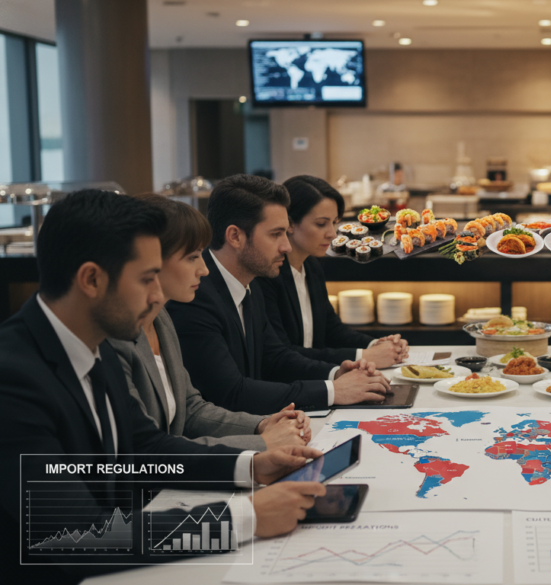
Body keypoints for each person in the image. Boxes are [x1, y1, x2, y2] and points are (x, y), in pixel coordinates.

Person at [0, 190, 328, 583]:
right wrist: (247, 517)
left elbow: (147, 448)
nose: (157, 295)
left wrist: (252, 465)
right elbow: (74, 536)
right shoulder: (13, 377)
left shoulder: (93, 344)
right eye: (146, 279)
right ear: (91, 279)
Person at [167, 174, 390, 415]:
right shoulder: (195, 295)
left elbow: (275, 357)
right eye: (275, 234)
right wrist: (333, 390)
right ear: (235, 236)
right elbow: (230, 393)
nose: (286, 245)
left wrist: (337, 373)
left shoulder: (250, 281)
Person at [108, 195, 311, 451]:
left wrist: (262, 425)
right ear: (152, 261)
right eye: (193, 257)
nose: (204, 269)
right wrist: (261, 444)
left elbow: (191, 408)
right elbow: (146, 449)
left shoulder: (161, 319)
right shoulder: (115, 338)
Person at [258, 175, 408, 367]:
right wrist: (363, 356)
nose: (332, 233)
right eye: (321, 224)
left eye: (334, 222)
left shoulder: (311, 265)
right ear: (290, 223)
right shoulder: (268, 274)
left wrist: (376, 345)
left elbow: (332, 329)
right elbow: (282, 354)